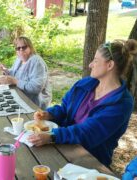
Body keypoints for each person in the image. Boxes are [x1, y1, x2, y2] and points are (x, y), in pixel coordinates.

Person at [28, 39, 137, 167]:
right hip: (62, 145)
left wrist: (52, 136)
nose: (90, 64)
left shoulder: (121, 103)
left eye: (96, 60)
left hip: (89, 161)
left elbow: (88, 133)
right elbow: (64, 109)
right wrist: (49, 114)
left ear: (110, 65)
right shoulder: (85, 84)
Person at [0, 36, 51, 109]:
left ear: (30, 48)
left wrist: (15, 81)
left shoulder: (37, 62)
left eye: (24, 47)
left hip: (34, 104)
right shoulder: (19, 59)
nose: (21, 50)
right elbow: (14, 74)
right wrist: (5, 70)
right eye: (18, 48)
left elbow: (35, 88)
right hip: (20, 96)